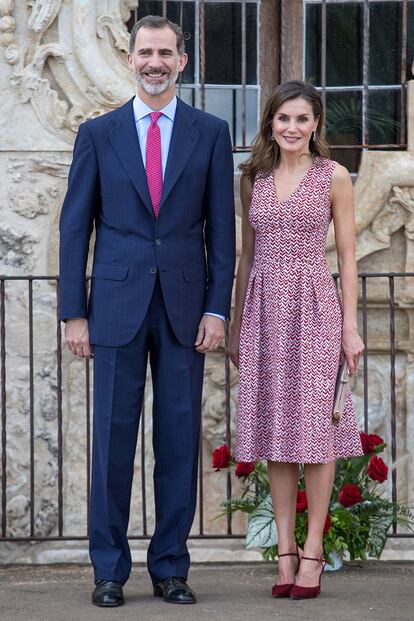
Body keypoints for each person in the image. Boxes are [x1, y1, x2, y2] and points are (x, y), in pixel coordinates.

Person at [59, 15, 235, 607]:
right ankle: (108, 570)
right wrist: (73, 313)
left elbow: (223, 232)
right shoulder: (99, 133)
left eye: (166, 52)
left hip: (186, 309)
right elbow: (74, 226)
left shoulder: (209, 133)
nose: (155, 62)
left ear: (182, 60)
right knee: (111, 442)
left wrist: (217, 308)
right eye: (145, 52)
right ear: (130, 60)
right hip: (113, 306)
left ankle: (170, 568)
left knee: (180, 443)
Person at [229, 80, 364, 600]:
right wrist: (239, 322)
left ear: (316, 125)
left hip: (315, 309)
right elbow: (246, 254)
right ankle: (284, 553)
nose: (292, 127)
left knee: (317, 433)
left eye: (302, 119)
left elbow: (349, 259)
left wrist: (349, 327)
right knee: (274, 431)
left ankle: (312, 550)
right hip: (264, 308)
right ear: (270, 123)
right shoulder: (253, 178)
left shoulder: (334, 176)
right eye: (283, 118)